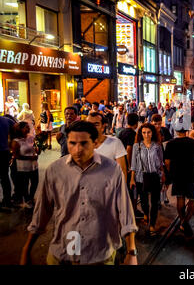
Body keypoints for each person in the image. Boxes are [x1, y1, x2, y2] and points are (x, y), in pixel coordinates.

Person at [20, 120, 138, 265]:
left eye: (84, 143)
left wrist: (131, 252)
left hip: (100, 252)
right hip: (64, 249)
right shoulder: (55, 170)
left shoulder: (112, 170)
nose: (77, 149)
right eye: (72, 143)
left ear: (95, 143)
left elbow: (125, 210)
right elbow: (42, 211)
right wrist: (27, 249)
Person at [164, 127, 194, 237]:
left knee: (180, 198)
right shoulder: (193, 142)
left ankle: (182, 220)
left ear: (176, 131)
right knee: (193, 199)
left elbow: (167, 162)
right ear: (186, 131)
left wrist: (171, 172)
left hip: (177, 175)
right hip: (192, 174)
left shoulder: (170, 144)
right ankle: (185, 221)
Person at [130, 123, 164, 235]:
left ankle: (152, 225)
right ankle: (145, 213)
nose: (146, 135)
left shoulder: (158, 146)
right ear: (141, 133)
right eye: (144, 132)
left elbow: (161, 162)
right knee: (144, 202)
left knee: (155, 202)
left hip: (155, 176)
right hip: (141, 177)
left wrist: (163, 175)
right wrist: (132, 179)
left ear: (152, 133)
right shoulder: (137, 146)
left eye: (148, 132)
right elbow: (133, 164)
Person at [86, 112, 127, 180]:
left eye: (96, 124)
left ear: (103, 126)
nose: (92, 127)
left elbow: (122, 170)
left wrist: (122, 189)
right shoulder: (82, 145)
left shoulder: (115, 143)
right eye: (89, 124)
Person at [10, 122, 39, 209]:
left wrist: (37, 151)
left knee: (35, 182)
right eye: (26, 127)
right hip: (23, 167)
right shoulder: (16, 142)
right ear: (20, 129)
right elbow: (16, 156)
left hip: (34, 166)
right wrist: (30, 158)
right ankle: (27, 200)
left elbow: (34, 149)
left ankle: (31, 197)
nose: (28, 129)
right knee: (25, 185)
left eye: (28, 127)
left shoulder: (30, 138)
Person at [0, 116, 16, 208]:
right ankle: (7, 200)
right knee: (4, 177)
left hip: (3, 151)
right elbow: (18, 128)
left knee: (4, 177)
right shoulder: (7, 120)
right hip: (4, 152)